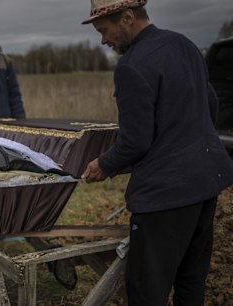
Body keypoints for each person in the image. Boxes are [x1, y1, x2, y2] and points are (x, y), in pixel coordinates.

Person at [80, 0, 233, 305]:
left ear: (127, 17)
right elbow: (211, 105)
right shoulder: (185, 45)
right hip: (205, 184)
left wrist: (104, 164)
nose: (103, 40)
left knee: (146, 290)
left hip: (165, 196)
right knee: (191, 281)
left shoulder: (132, 66)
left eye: (104, 30)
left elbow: (135, 141)